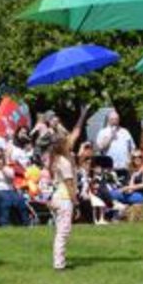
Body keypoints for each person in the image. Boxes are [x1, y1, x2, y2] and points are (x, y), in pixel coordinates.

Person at [45, 106, 88, 271]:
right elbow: (70, 184)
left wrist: (82, 114)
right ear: (63, 145)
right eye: (66, 140)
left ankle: (59, 261)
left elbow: (75, 133)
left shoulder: (57, 158)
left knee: (60, 231)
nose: (70, 140)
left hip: (58, 197)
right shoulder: (64, 162)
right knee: (63, 232)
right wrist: (76, 203)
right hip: (64, 198)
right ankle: (59, 264)